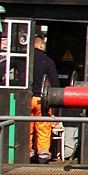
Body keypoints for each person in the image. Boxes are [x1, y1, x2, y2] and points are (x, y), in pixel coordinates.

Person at [30, 35, 59, 163]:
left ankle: (28, 153)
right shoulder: (48, 62)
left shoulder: (25, 60)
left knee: (27, 127)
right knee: (43, 128)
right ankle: (42, 157)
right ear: (42, 45)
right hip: (42, 101)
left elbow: (3, 66)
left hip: (26, 100)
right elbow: (55, 84)